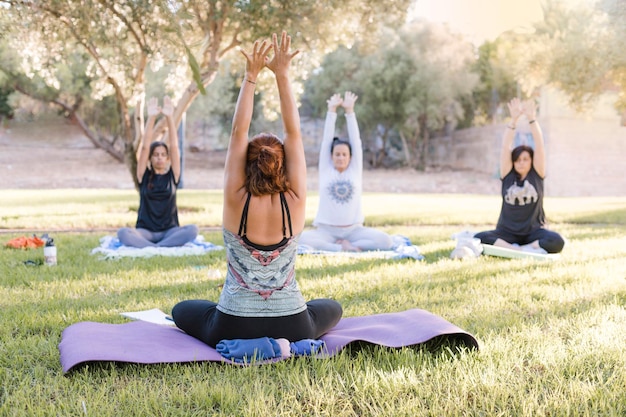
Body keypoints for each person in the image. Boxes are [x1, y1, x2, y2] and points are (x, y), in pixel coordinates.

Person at [171, 31, 343, 347]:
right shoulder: (295, 200)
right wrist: (283, 75)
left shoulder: (236, 200)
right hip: (293, 324)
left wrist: (251, 76)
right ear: (284, 165)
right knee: (332, 308)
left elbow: (239, 131)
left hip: (232, 324)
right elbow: (294, 133)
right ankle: (284, 344)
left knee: (181, 310)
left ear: (246, 164)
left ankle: (253, 345)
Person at [298, 92, 393, 252]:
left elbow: (356, 141)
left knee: (386, 241)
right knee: (300, 239)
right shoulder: (326, 169)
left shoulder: (354, 171)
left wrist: (350, 112)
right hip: (327, 231)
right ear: (331, 156)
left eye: (344, 154)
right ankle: (339, 248)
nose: (341, 157)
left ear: (350, 157)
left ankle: (352, 247)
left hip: (353, 230)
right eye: (337, 154)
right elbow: (327, 139)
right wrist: (331, 110)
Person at [474, 97, 564, 254]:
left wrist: (531, 119)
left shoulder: (537, 174)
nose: (521, 163)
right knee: (479, 237)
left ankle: (519, 249)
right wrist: (513, 120)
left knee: (557, 241)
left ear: (531, 161)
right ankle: (520, 250)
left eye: (525, 159)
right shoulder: (507, 175)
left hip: (533, 232)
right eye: (517, 160)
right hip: (507, 232)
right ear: (513, 162)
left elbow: (540, 144)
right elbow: (505, 147)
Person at [117, 96, 198, 248]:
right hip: (145, 232)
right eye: (155, 155)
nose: (159, 158)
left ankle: (152, 247)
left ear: (168, 159)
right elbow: (145, 147)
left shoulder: (173, 176)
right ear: (150, 158)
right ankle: (160, 247)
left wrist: (169, 117)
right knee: (123, 233)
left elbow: (174, 146)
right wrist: (152, 117)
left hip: (170, 231)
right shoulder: (143, 175)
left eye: (163, 155)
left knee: (193, 230)